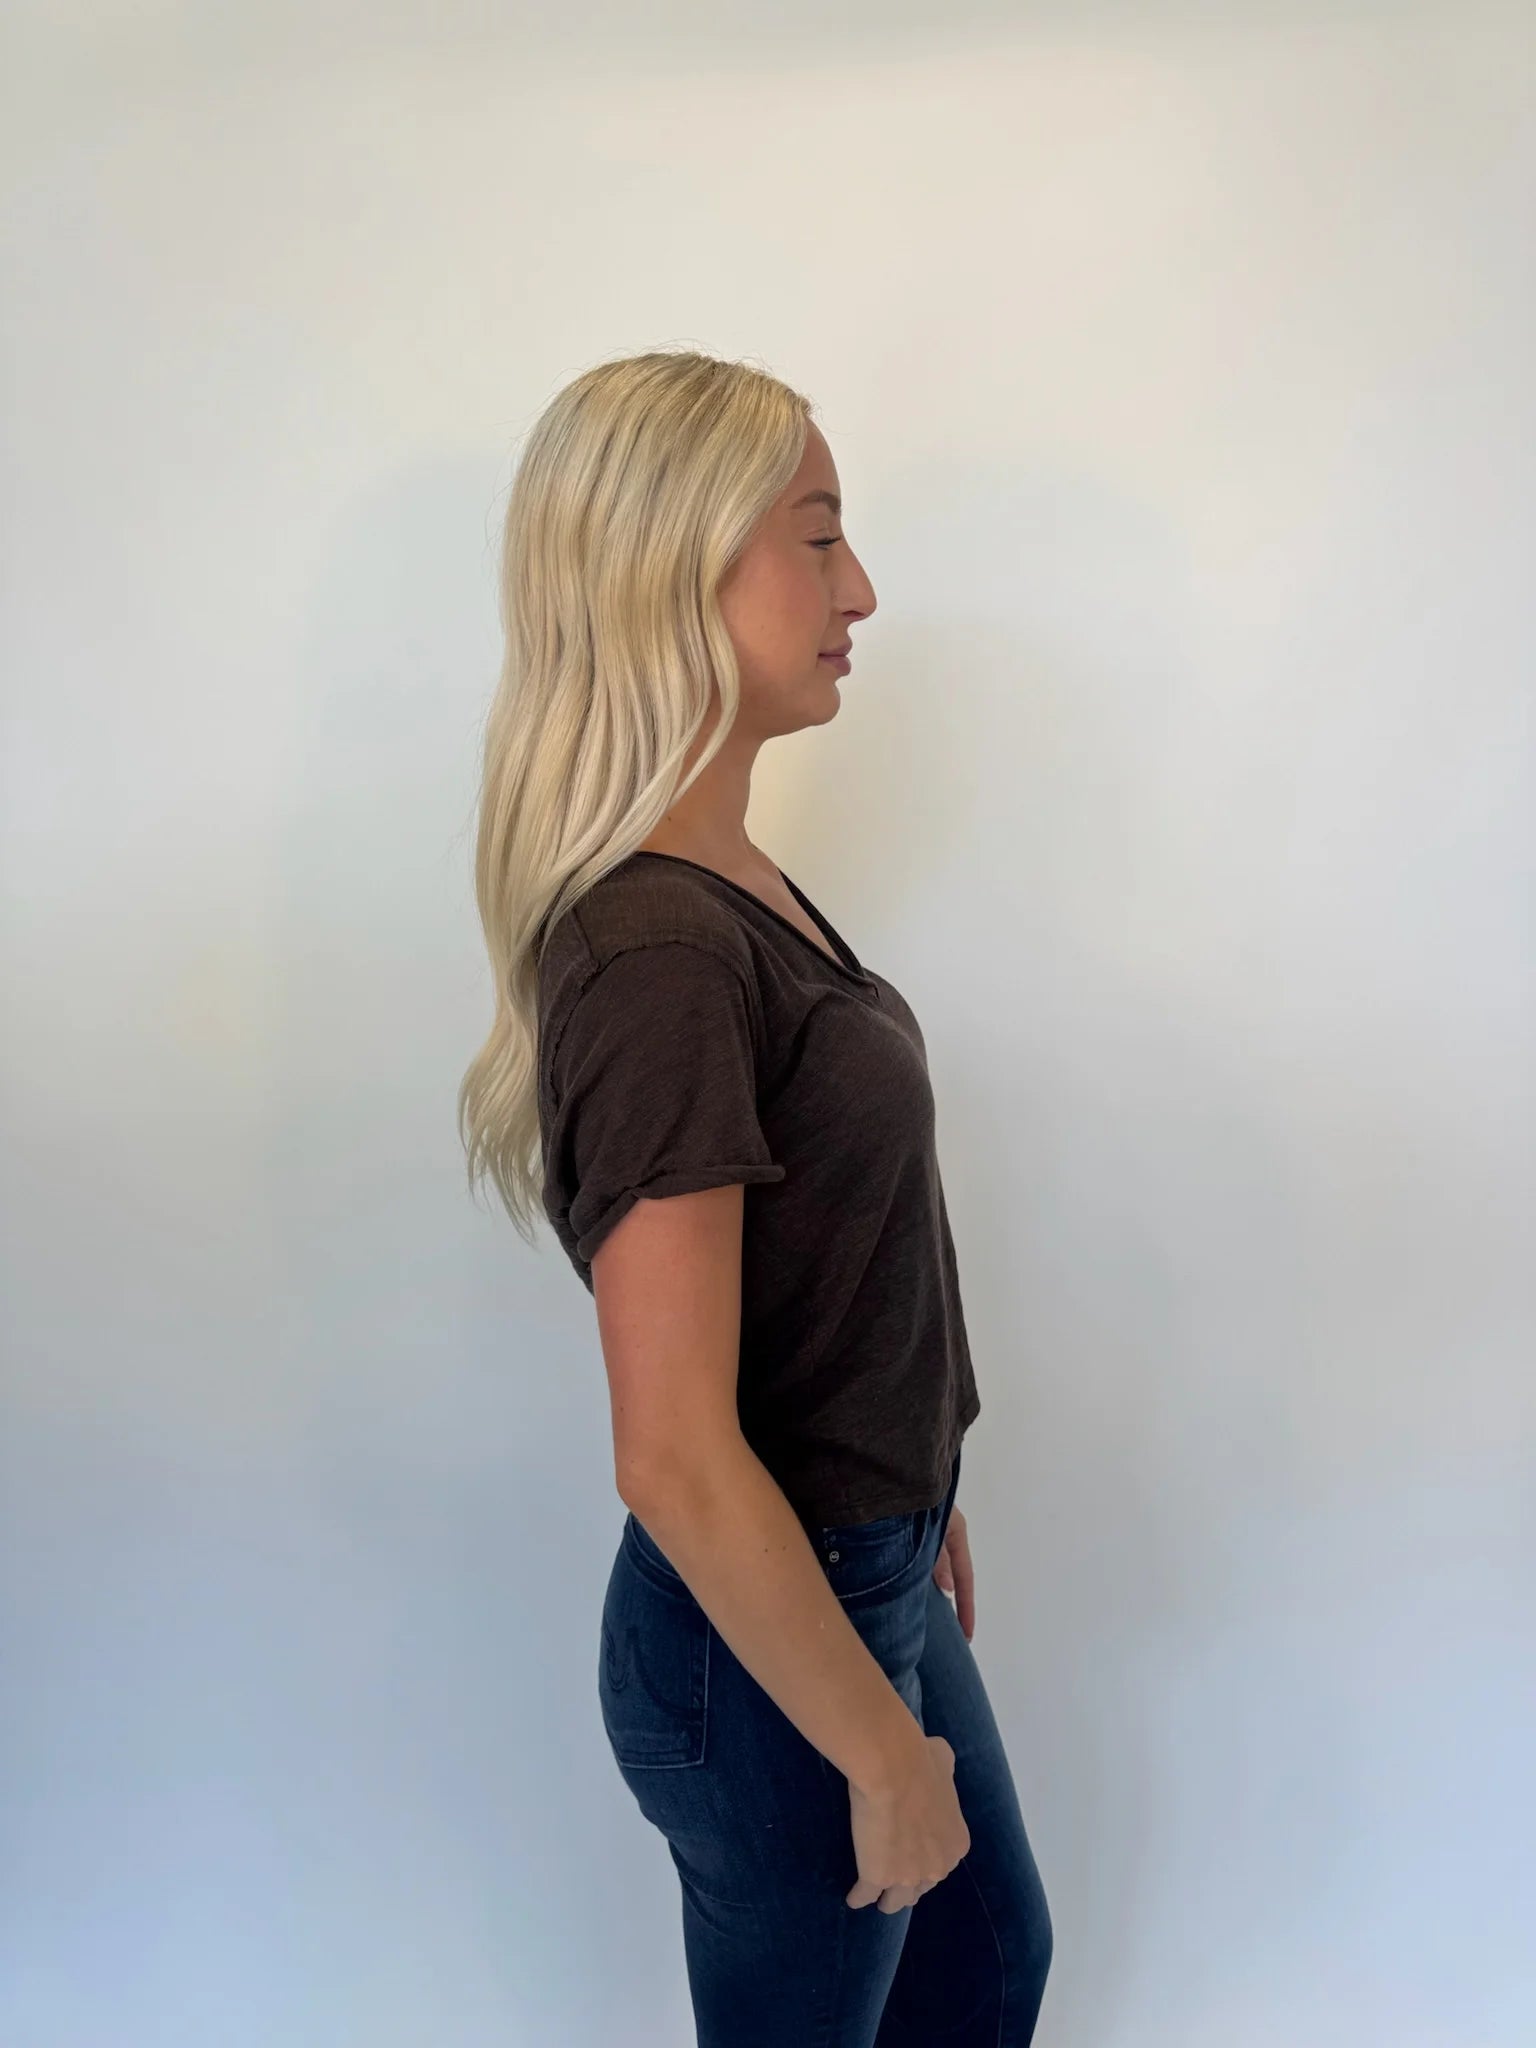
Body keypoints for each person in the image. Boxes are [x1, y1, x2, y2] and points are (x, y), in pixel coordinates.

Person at [459, 347, 1052, 2044]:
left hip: (857, 1567)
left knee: (984, 1971)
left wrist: (914, 1484)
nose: (859, 589)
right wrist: (876, 1747)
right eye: (818, 536)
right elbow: (671, 1450)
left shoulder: (729, 884)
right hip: (765, 1639)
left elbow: (829, 1267)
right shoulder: (657, 950)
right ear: (673, 568)